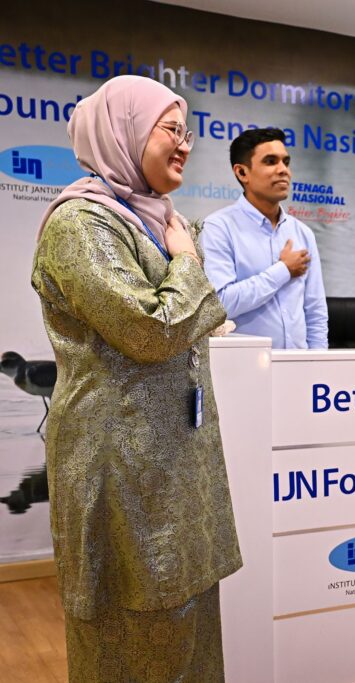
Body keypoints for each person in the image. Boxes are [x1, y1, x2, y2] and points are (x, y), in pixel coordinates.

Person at [31, 75, 242, 682]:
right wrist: (187, 262)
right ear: (123, 134)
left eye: (188, 131)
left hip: (171, 459)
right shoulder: (81, 224)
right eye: (171, 129)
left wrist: (184, 262)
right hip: (120, 466)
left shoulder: (156, 218)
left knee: (187, 623)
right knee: (133, 630)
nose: (185, 144)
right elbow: (151, 331)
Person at [200, 128, 328, 349]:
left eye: (286, 162)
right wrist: (283, 270)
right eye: (270, 161)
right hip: (243, 366)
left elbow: (315, 312)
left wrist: (318, 361)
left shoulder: (303, 233)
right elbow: (220, 305)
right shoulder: (218, 228)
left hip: (300, 364)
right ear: (242, 173)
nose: (283, 170)